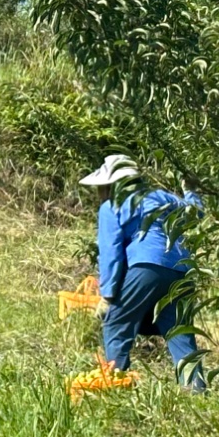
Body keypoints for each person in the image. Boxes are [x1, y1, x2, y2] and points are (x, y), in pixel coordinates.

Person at [80, 154, 206, 393]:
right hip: (182, 270)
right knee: (179, 330)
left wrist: (107, 296)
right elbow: (196, 213)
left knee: (117, 321)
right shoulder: (163, 197)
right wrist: (191, 191)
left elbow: (111, 252)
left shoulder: (112, 206)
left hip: (147, 266)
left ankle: (115, 385)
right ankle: (196, 390)